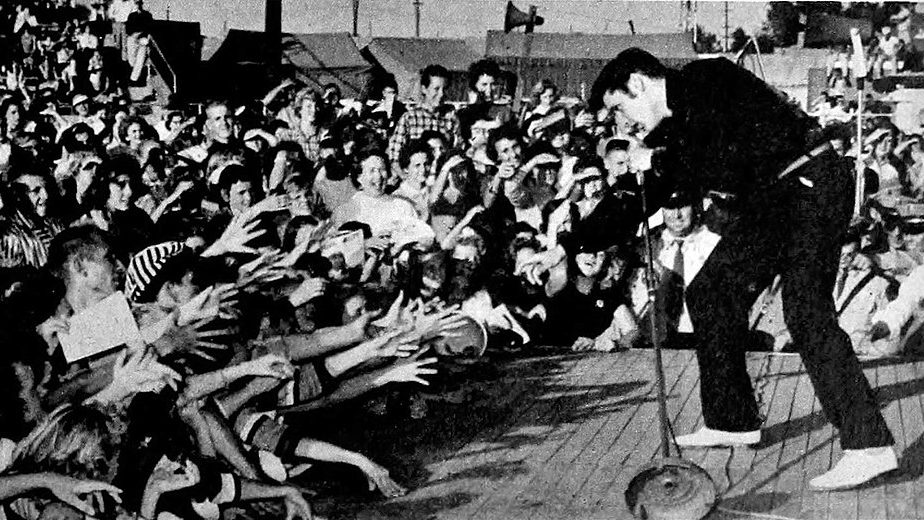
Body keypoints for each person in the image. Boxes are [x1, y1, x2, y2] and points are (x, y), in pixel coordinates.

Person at [590, 47, 896, 490]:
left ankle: (870, 446)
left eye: (620, 107)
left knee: (806, 314)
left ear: (638, 83)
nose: (625, 123)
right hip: (774, 199)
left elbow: (722, 162)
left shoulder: (706, 81)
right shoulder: (675, 131)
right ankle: (732, 420)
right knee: (711, 287)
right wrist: (577, 239)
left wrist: (654, 160)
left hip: (812, 182)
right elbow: (655, 188)